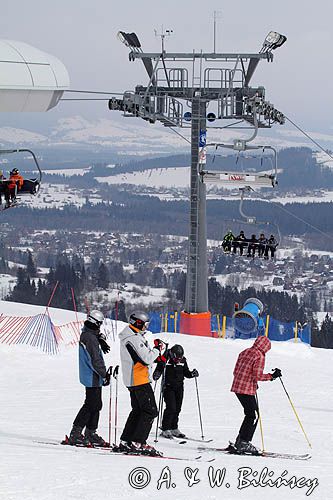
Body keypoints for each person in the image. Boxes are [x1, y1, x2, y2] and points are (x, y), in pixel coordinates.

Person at [118, 311, 164, 456]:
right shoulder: (133, 339)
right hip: (139, 380)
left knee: (138, 410)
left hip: (136, 378)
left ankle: (126, 440)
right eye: (145, 324)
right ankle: (139, 442)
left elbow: (143, 357)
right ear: (137, 323)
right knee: (150, 411)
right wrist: (158, 350)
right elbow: (145, 359)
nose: (146, 327)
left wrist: (155, 353)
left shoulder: (133, 336)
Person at [230, 336, 281, 454]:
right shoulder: (259, 355)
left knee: (250, 413)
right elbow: (257, 375)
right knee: (253, 415)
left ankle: (241, 440)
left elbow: (236, 371)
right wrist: (272, 376)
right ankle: (244, 442)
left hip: (237, 387)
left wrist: (252, 382)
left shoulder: (244, 352)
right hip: (246, 389)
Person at [67, 309, 110, 447]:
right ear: (95, 322)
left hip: (93, 375)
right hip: (91, 375)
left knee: (96, 404)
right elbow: (95, 360)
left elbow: (95, 334)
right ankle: (76, 433)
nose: (100, 326)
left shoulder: (89, 334)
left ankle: (91, 432)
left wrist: (101, 339)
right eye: (99, 323)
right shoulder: (89, 338)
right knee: (91, 404)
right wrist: (104, 374)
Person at [153, 344, 199, 439]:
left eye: (180, 358)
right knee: (171, 407)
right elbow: (158, 370)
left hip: (179, 387)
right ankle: (165, 428)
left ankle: (174, 428)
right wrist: (157, 374)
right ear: (172, 354)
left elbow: (186, 373)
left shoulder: (183, 360)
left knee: (178, 408)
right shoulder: (165, 359)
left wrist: (192, 374)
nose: (178, 360)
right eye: (177, 358)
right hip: (168, 387)